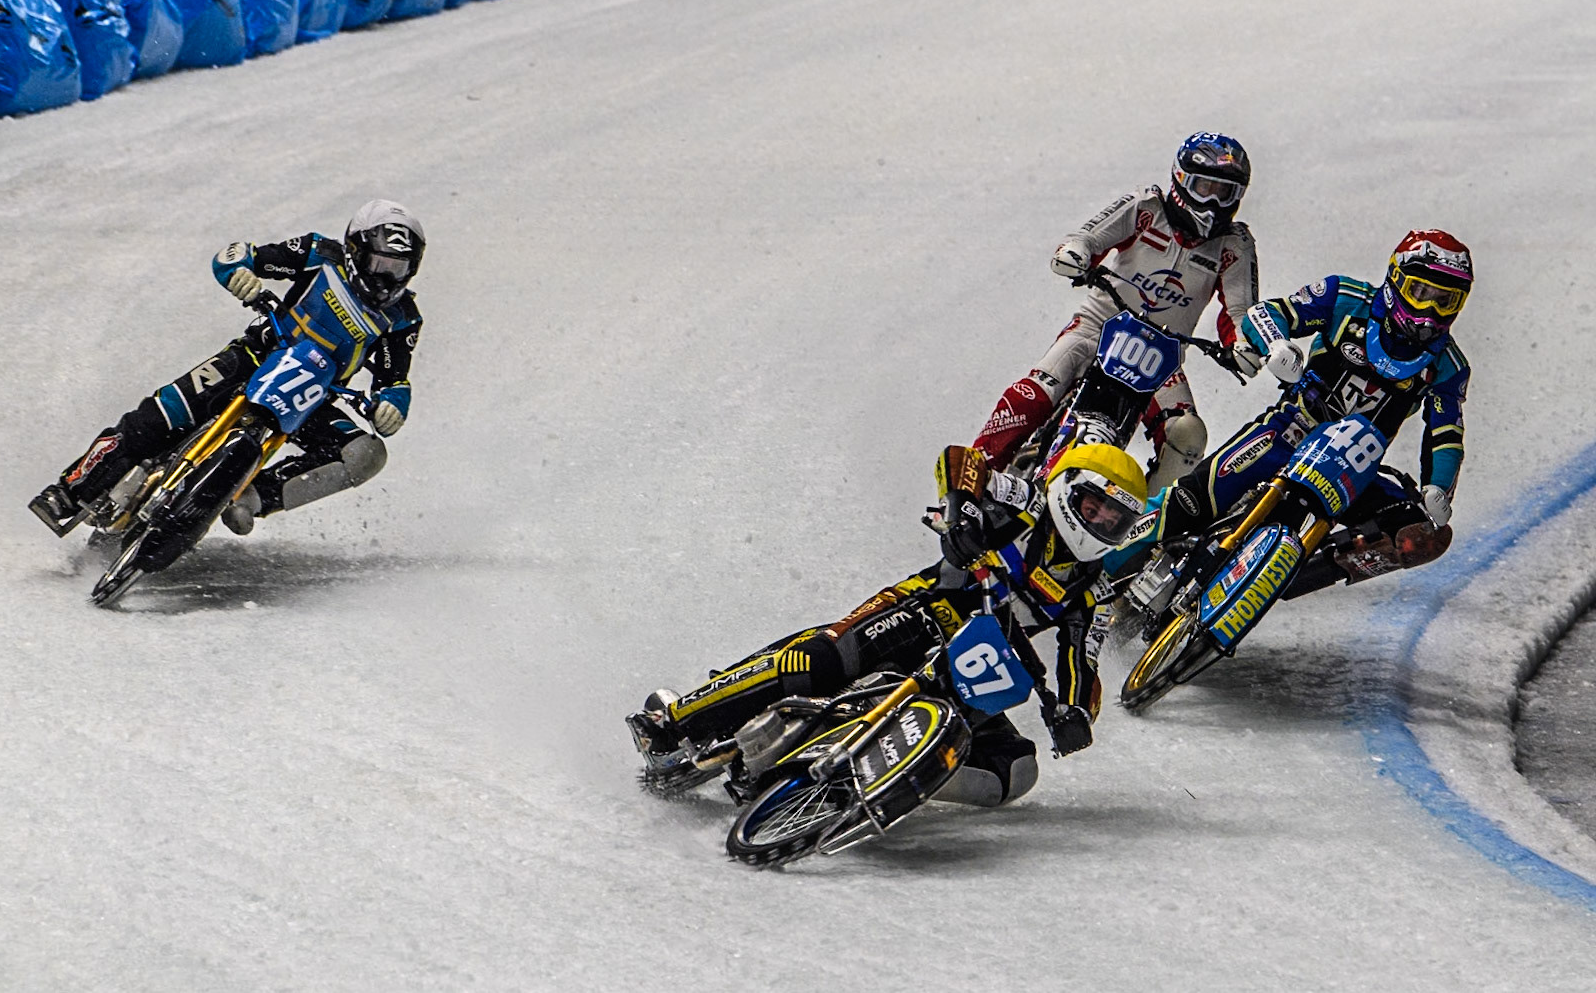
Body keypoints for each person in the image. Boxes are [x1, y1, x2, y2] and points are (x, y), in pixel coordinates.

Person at [628, 441, 1149, 806]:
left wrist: (1076, 712)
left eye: (1114, 519)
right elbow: (961, 460)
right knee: (818, 661)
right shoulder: (1031, 502)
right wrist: (962, 514)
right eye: (1093, 505)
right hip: (920, 614)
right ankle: (672, 721)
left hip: (974, 671)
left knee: (1013, 772)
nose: (1100, 522)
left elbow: (1082, 660)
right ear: (1069, 489)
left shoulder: (1094, 589)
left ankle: (860, 783)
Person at [29, 200, 427, 537]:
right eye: (378, 263)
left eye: (398, 269)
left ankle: (252, 496)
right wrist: (241, 274)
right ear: (355, 249)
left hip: (313, 398)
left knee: (366, 455)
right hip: (257, 356)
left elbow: (395, 381)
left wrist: (391, 407)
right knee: (162, 414)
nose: (384, 278)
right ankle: (69, 489)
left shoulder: (403, 318)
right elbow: (236, 255)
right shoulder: (317, 254)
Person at [1114, 228, 1470, 578]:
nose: (1428, 311)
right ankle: (1106, 561)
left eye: (1444, 301)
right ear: (1396, 280)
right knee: (1192, 499)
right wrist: (1276, 345)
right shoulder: (1345, 298)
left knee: (1421, 533)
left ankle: (1299, 570)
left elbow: (1446, 434)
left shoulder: (1449, 367)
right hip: (1291, 428)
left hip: (1353, 468)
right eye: (1420, 292)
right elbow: (1265, 315)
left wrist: (1439, 488)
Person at [974, 132, 1261, 491]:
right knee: (1037, 389)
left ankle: (1145, 531)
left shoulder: (1236, 245)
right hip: (1098, 326)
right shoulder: (1145, 206)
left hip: (1162, 359)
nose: (1213, 202)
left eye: (1225, 193)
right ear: (1181, 180)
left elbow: (1240, 312)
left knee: (1188, 437)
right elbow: (1086, 238)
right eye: (1205, 187)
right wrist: (1074, 255)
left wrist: (1247, 344)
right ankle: (974, 471)